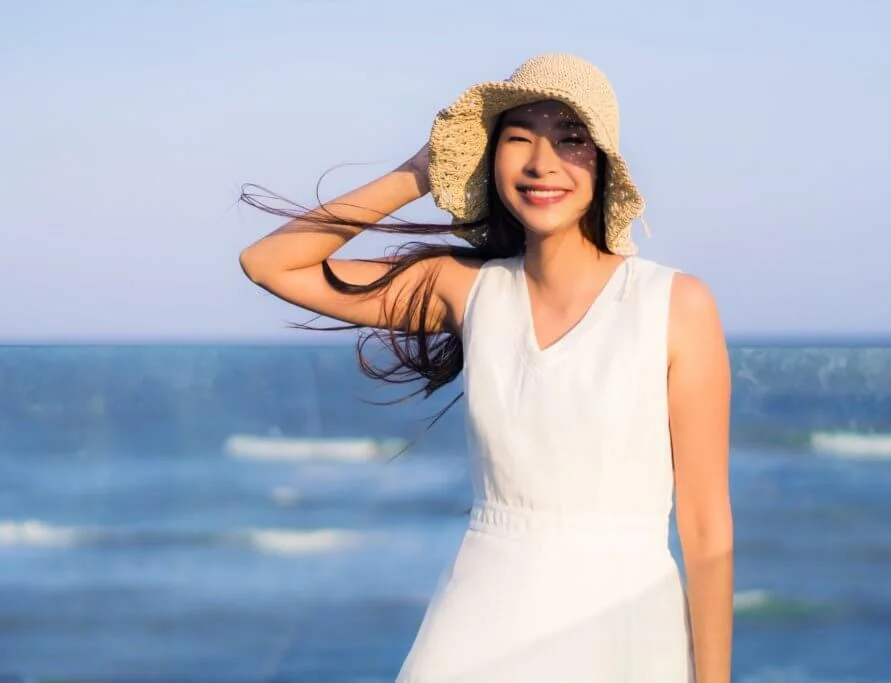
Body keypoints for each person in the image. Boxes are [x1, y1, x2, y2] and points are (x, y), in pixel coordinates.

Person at [239, 53, 733, 683]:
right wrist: (418, 171)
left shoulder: (675, 304)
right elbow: (272, 263)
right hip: (481, 619)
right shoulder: (465, 289)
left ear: (604, 162)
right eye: (518, 139)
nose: (541, 163)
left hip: (626, 623)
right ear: (490, 158)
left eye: (570, 140)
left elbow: (706, 529)